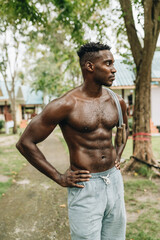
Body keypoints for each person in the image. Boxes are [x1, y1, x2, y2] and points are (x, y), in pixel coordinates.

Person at [16, 42, 129, 240]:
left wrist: (118, 154)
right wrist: (58, 177)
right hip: (85, 185)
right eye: (108, 63)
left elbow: (124, 128)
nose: (114, 69)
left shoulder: (117, 101)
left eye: (113, 63)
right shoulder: (66, 105)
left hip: (114, 181)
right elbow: (25, 143)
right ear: (90, 67)